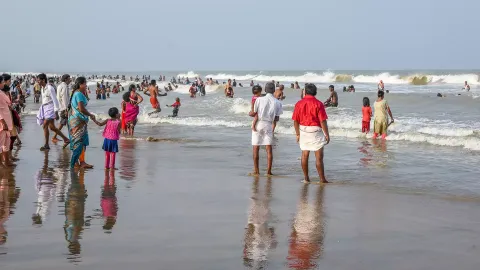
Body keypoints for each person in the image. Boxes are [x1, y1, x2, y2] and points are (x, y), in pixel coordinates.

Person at [292, 83, 330, 183]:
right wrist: (327, 134)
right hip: (315, 130)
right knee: (319, 157)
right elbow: (323, 121)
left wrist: (297, 134)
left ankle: (306, 178)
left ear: (305, 91)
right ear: (315, 92)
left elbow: (295, 121)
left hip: (303, 130)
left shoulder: (299, 103)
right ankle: (322, 179)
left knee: (304, 155)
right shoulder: (318, 103)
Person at [250, 82, 282, 176]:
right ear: (274, 90)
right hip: (268, 125)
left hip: (259, 123)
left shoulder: (259, 100)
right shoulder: (277, 102)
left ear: (265, 90)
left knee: (256, 147)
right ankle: (268, 171)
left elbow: (254, 113)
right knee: (269, 148)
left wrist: (250, 113)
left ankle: (256, 171)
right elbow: (276, 118)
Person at [36, 74, 70, 151]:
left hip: (51, 108)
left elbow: (55, 100)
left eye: (38, 80)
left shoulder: (50, 88)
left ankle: (46, 144)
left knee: (45, 125)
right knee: (52, 127)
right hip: (45, 108)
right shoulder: (42, 88)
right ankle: (66, 139)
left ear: (43, 80)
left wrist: (56, 111)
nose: (37, 81)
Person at [67, 77, 95, 169]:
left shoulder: (77, 93)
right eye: (85, 83)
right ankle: (74, 163)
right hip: (78, 121)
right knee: (79, 142)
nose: (86, 85)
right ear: (80, 84)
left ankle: (80, 162)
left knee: (79, 142)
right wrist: (90, 114)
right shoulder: (78, 94)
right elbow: (81, 108)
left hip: (76, 120)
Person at [0, 76, 15, 167]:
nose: (3, 84)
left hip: (7, 122)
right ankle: (1, 163)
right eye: (2, 82)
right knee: (1, 143)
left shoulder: (2, 92)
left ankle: (6, 162)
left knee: (6, 143)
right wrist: (2, 121)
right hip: (3, 122)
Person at [53, 74, 71, 143]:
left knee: (63, 123)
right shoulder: (65, 86)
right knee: (63, 123)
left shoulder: (60, 85)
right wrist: (66, 109)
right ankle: (55, 137)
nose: (70, 80)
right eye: (69, 79)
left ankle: (56, 137)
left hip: (60, 106)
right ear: (66, 79)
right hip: (64, 108)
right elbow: (64, 98)